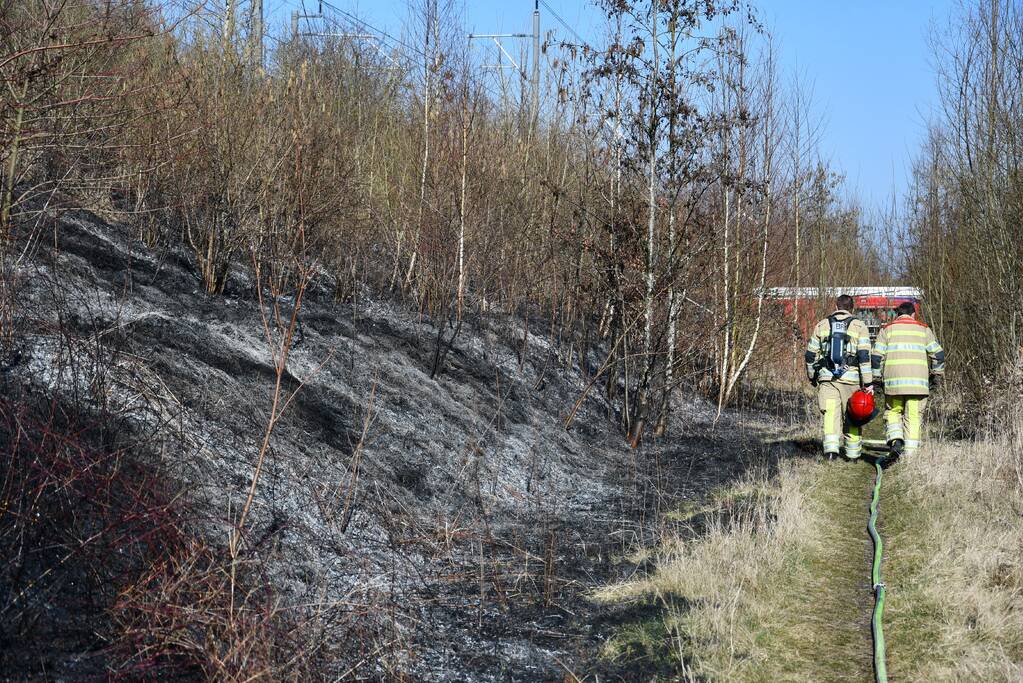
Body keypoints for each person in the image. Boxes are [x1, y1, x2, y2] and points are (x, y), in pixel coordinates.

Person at [871, 301, 945, 465]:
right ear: (913, 314)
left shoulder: (887, 329)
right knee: (913, 416)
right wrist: (936, 374)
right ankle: (910, 459)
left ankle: (896, 440)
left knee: (893, 412)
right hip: (917, 386)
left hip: (894, 386)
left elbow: (876, 358)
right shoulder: (923, 329)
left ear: (897, 314)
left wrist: (876, 379)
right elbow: (938, 355)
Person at [805, 294, 874, 460]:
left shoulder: (821, 325)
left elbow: (810, 355)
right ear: (852, 309)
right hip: (851, 380)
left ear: (836, 307)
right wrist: (868, 382)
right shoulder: (859, 326)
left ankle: (830, 452)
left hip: (827, 379)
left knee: (830, 413)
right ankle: (853, 454)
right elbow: (864, 356)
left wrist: (812, 375)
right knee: (853, 414)